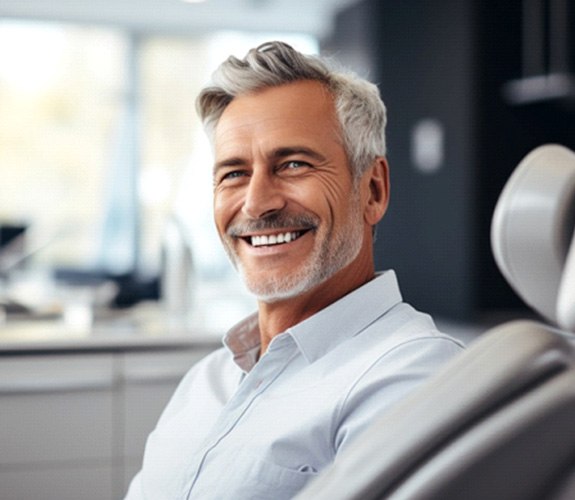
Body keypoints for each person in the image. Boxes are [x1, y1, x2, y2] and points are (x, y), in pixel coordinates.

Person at [125, 41, 464, 500]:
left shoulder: (413, 377)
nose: (256, 202)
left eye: (293, 164)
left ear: (373, 191)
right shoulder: (207, 379)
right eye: (233, 173)